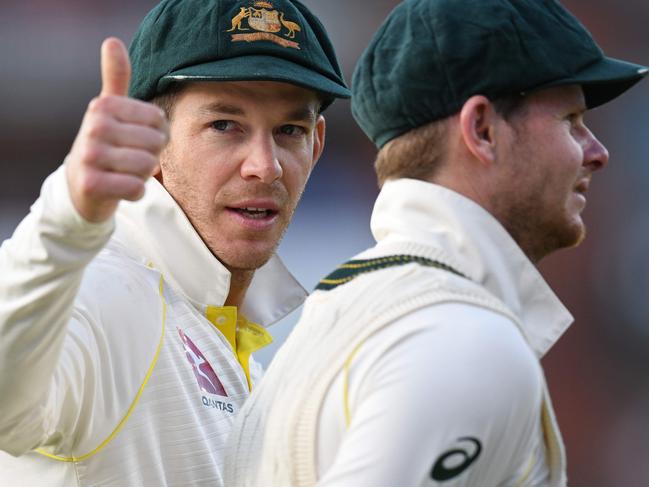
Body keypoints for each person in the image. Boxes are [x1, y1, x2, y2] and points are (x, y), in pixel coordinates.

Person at [224, 0, 648, 485]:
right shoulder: (464, 338)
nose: (597, 151)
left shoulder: (346, 309)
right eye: (570, 119)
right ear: (482, 130)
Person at [0, 0, 350, 485]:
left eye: (290, 130)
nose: (265, 166)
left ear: (316, 146)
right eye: (224, 125)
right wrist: (66, 219)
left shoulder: (224, 332)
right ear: (150, 140)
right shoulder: (104, 296)